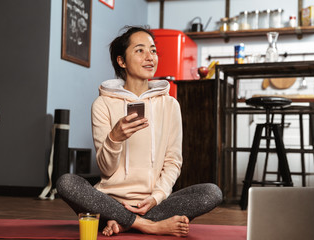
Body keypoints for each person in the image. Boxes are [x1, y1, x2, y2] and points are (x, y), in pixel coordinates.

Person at [56, 25, 222, 237]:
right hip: (109, 202)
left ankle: (126, 223)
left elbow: (173, 161)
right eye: (140, 50)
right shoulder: (102, 104)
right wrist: (115, 138)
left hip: (153, 204)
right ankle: (147, 225)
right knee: (67, 183)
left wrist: (156, 197)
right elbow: (106, 170)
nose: (149, 57)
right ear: (121, 61)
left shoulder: (170, 105)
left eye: (153, 50)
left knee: (211, 192)